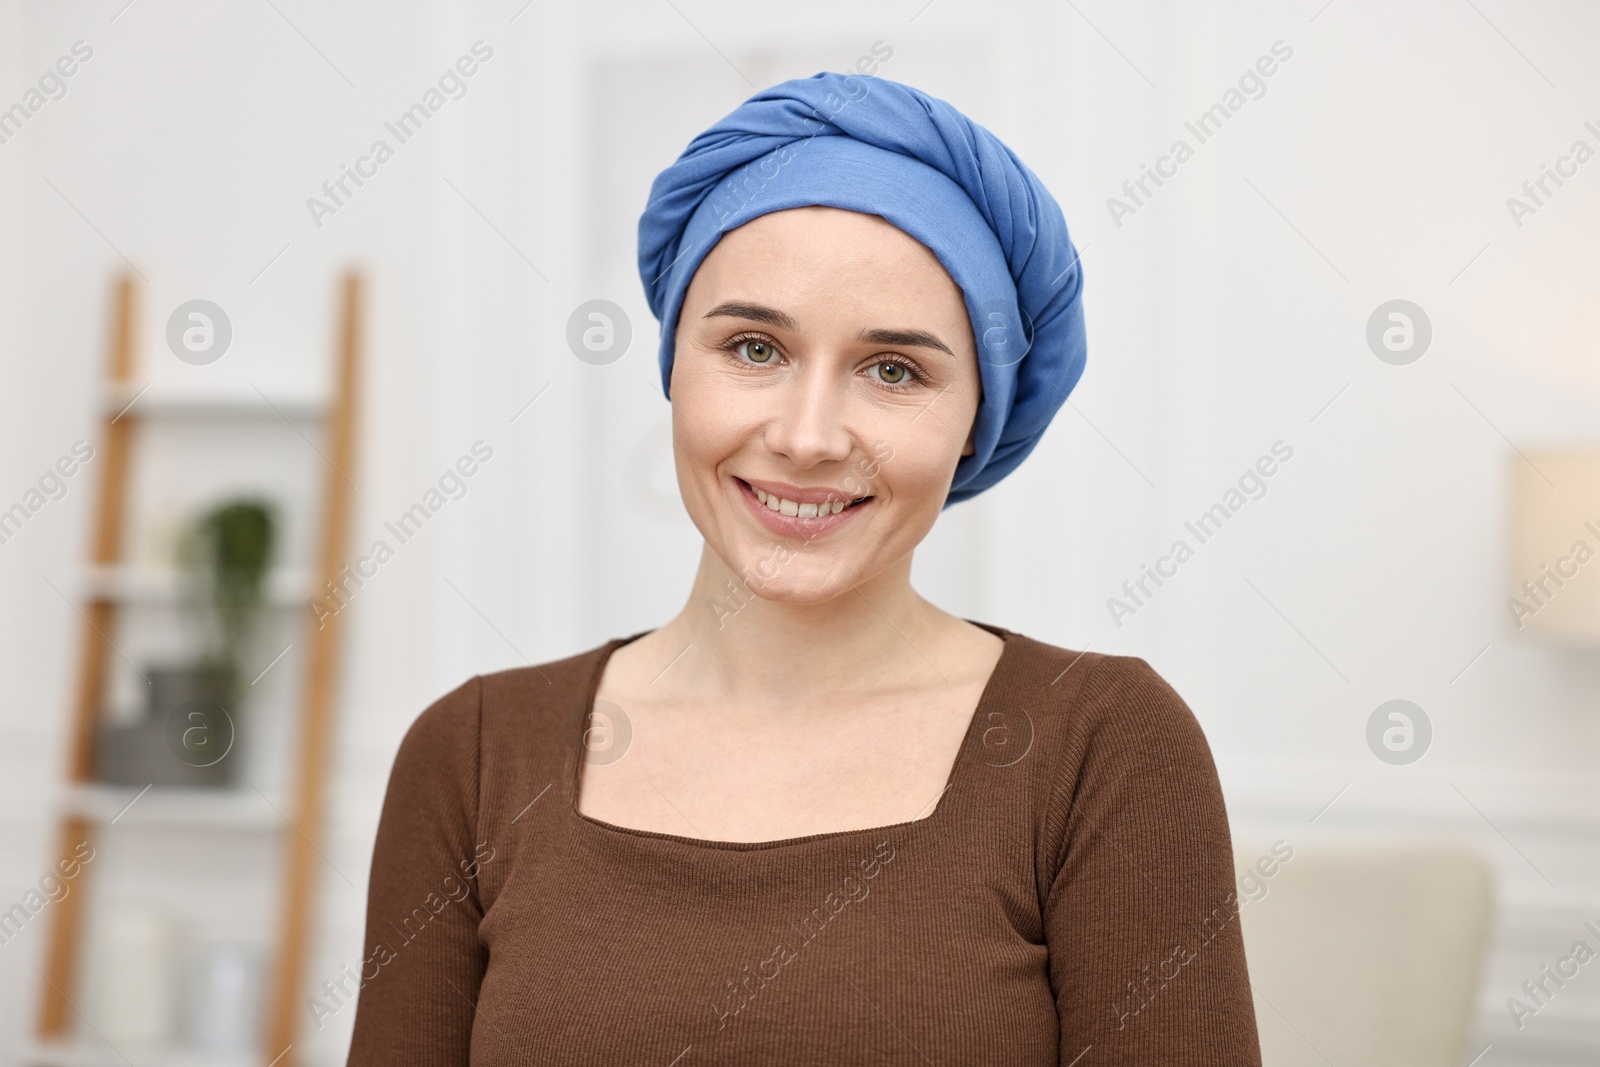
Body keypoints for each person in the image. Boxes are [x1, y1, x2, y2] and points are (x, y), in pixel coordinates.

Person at [346, 70, 1261, 1065]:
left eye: (894, 369)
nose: (808, 434)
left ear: (975, 423)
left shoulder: (1104, 748)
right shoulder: (475, 757)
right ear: (673, 370)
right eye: (752, 347)